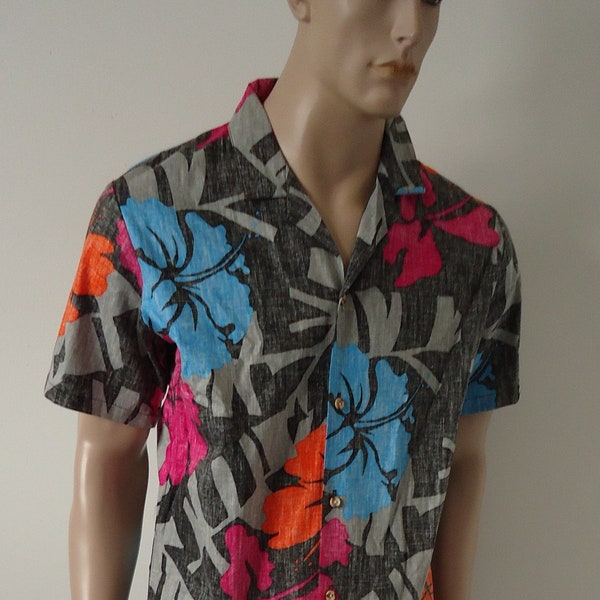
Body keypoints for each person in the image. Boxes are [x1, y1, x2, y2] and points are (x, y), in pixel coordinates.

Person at [44, 1, 521, 599]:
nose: (410, 28)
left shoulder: (475, 247)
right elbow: (108, 456)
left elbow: (464, 459)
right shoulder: (148, 214)